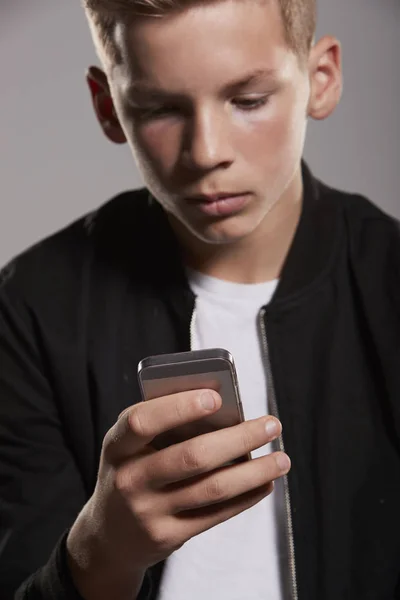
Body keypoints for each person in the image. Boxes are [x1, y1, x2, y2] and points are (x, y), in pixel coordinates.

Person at [0, 0, 399, 598]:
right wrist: (99, 552)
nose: (207, 152)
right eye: (160, 108)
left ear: (322, 80)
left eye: (248, 100)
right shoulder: (29, 308)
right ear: (109, 106)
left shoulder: (388, 282)